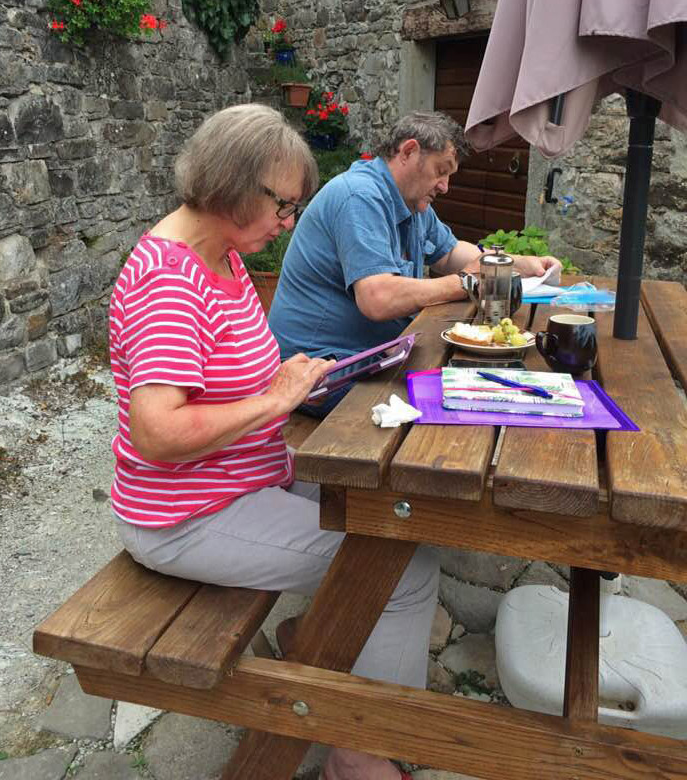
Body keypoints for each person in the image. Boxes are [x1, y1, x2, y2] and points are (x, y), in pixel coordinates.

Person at [107, 104, 437, 780]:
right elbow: (157, 431)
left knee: (394, 505)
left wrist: (294, 378)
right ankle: (362, 750)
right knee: (400, 568)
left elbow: (230, 383)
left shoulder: (221, 258)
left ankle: (313, 644)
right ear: (231, 184)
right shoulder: (171, 282)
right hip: (187, 516)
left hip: (248, 479)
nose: (289, 222)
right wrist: (275, 400)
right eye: (282, 205)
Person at [269, 111, 561, 414]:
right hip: (319, 370)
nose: (445, 186)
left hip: (375, 355)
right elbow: (378, 299)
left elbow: (449, 254)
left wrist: (520, 263)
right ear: (409, 151)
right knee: (463, 400)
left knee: (480, 385)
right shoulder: (360, 197)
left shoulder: (412, 203)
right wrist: (466, 281)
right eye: (441, 171)